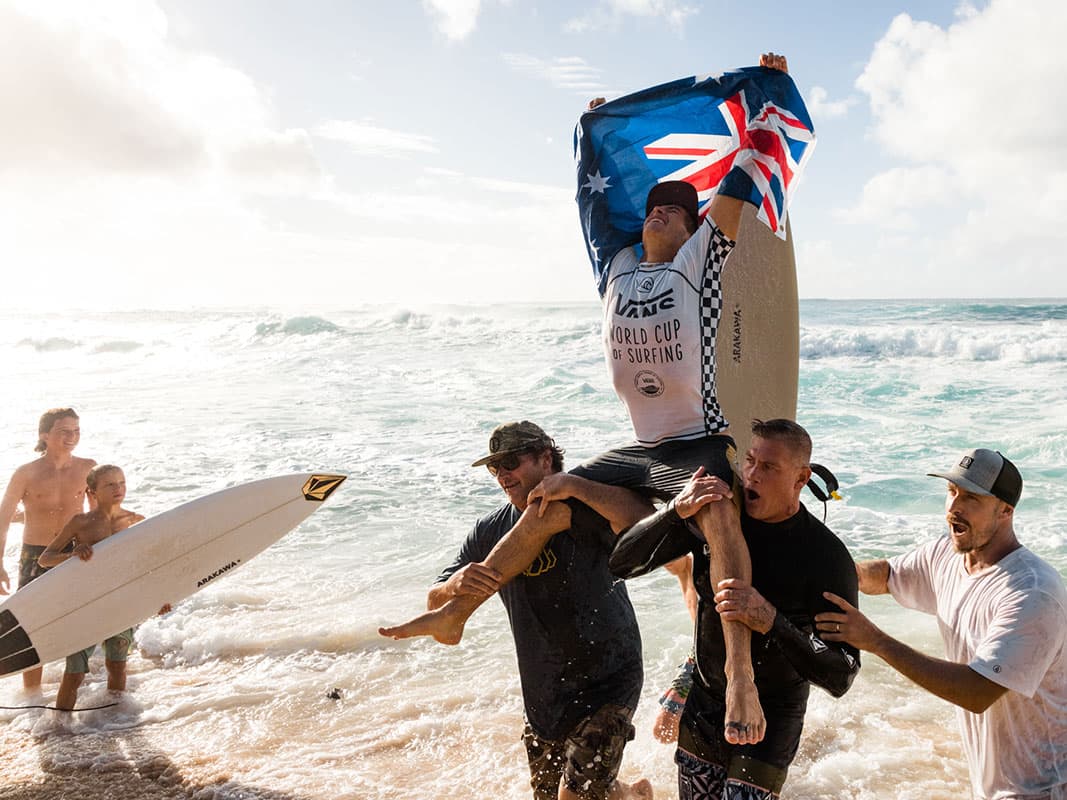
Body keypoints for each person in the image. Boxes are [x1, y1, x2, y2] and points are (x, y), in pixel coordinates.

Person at [380, 53, 798, 747]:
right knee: (551, 498)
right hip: (641, 448)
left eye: (680, 209)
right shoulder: (618, 267)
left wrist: (765, 97)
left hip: (695, 437)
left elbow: (742, 178)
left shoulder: (702, 260)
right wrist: (597, 134)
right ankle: (457, 613)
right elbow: (592, 201)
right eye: (657, 205)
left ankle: (739, 674)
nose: (665, 210)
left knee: (716, 512)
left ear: (695, 227)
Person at [610, 419, 860, 800]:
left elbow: (841, 673)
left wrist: (773, 622)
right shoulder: (717, 519)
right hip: (706, 701)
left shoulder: (825, 558)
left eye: (768, 468)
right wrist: (675, 511)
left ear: (800, 478)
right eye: (749, 462)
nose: (751, 476)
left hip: (772, 713)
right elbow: (622, 564)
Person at [406, 422, 654, 800]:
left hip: (609, 677)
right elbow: (435, 604)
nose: (502, 476)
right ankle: (634, 796)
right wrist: (454, 584)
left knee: (575, 795)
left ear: (545, 458)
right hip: (545, 694)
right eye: (494, 468)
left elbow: (644, 521)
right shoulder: (490, 532)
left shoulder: (581, 507)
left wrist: (579, 487)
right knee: (561, 794)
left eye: (510, 462)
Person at [817, 448, 1067, 799]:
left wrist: (875, 640)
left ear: (1006, 510)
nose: (953, 508)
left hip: (1042, 788)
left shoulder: (1032, 592)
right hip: (995, 786)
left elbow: (976, 692)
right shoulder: (947, 555)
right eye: (951, 492)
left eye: (971, 498)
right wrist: (836, 571)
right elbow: (887, 575)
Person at [0, 407, 96, 690]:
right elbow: (3, 520)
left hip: (76, 550)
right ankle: (32, 694)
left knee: (80, 614)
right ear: (44, 434)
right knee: (32, 623)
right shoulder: (26, 473)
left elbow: (98, 516)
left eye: (76, 430)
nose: (72, 436)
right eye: (64, 431)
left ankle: (81, 684)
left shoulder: (87, 467)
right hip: (34, 554)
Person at [38, 464, 146, 711]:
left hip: (120, 601)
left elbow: (147, 566)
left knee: (117, 667)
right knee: (75, 673)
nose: (118, 489)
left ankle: (116, 719)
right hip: (85, 603)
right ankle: (61, 726)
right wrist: (72, 555)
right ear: (93, 491)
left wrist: (159, 599)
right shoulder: (81, 522)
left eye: (121, 483)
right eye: (110, 484)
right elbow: (45, 558)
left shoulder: (135, 521)